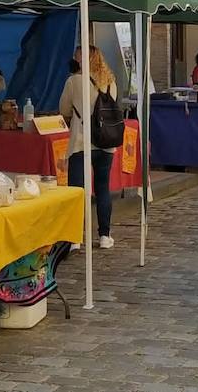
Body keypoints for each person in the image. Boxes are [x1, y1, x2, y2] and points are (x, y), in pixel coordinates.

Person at [59, 46, 119, 249]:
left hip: (81, 142)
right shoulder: (110, 82)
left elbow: (64, 108)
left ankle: (76, 237)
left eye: (77, 55)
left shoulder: (74, 81)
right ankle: (104, 235)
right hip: (106, 143)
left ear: (82, 58)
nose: (75, 59)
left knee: (78, 191)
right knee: (103, 189)